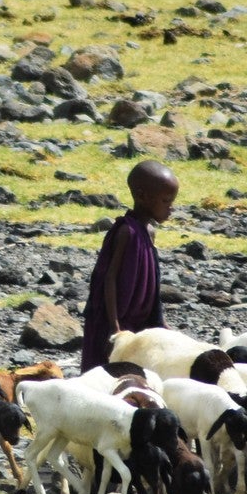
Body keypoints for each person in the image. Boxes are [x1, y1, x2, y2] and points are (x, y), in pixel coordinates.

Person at [81, 160, 177, 373]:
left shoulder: (149, 232)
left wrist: (159, 322)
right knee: (102, 373)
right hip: (111, 321)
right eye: (166, 201)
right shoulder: (126, 231)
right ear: (142, 196)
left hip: (138, 322)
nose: (171, 208)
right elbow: (109, 278)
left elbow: (152, 281)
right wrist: (114, 327)